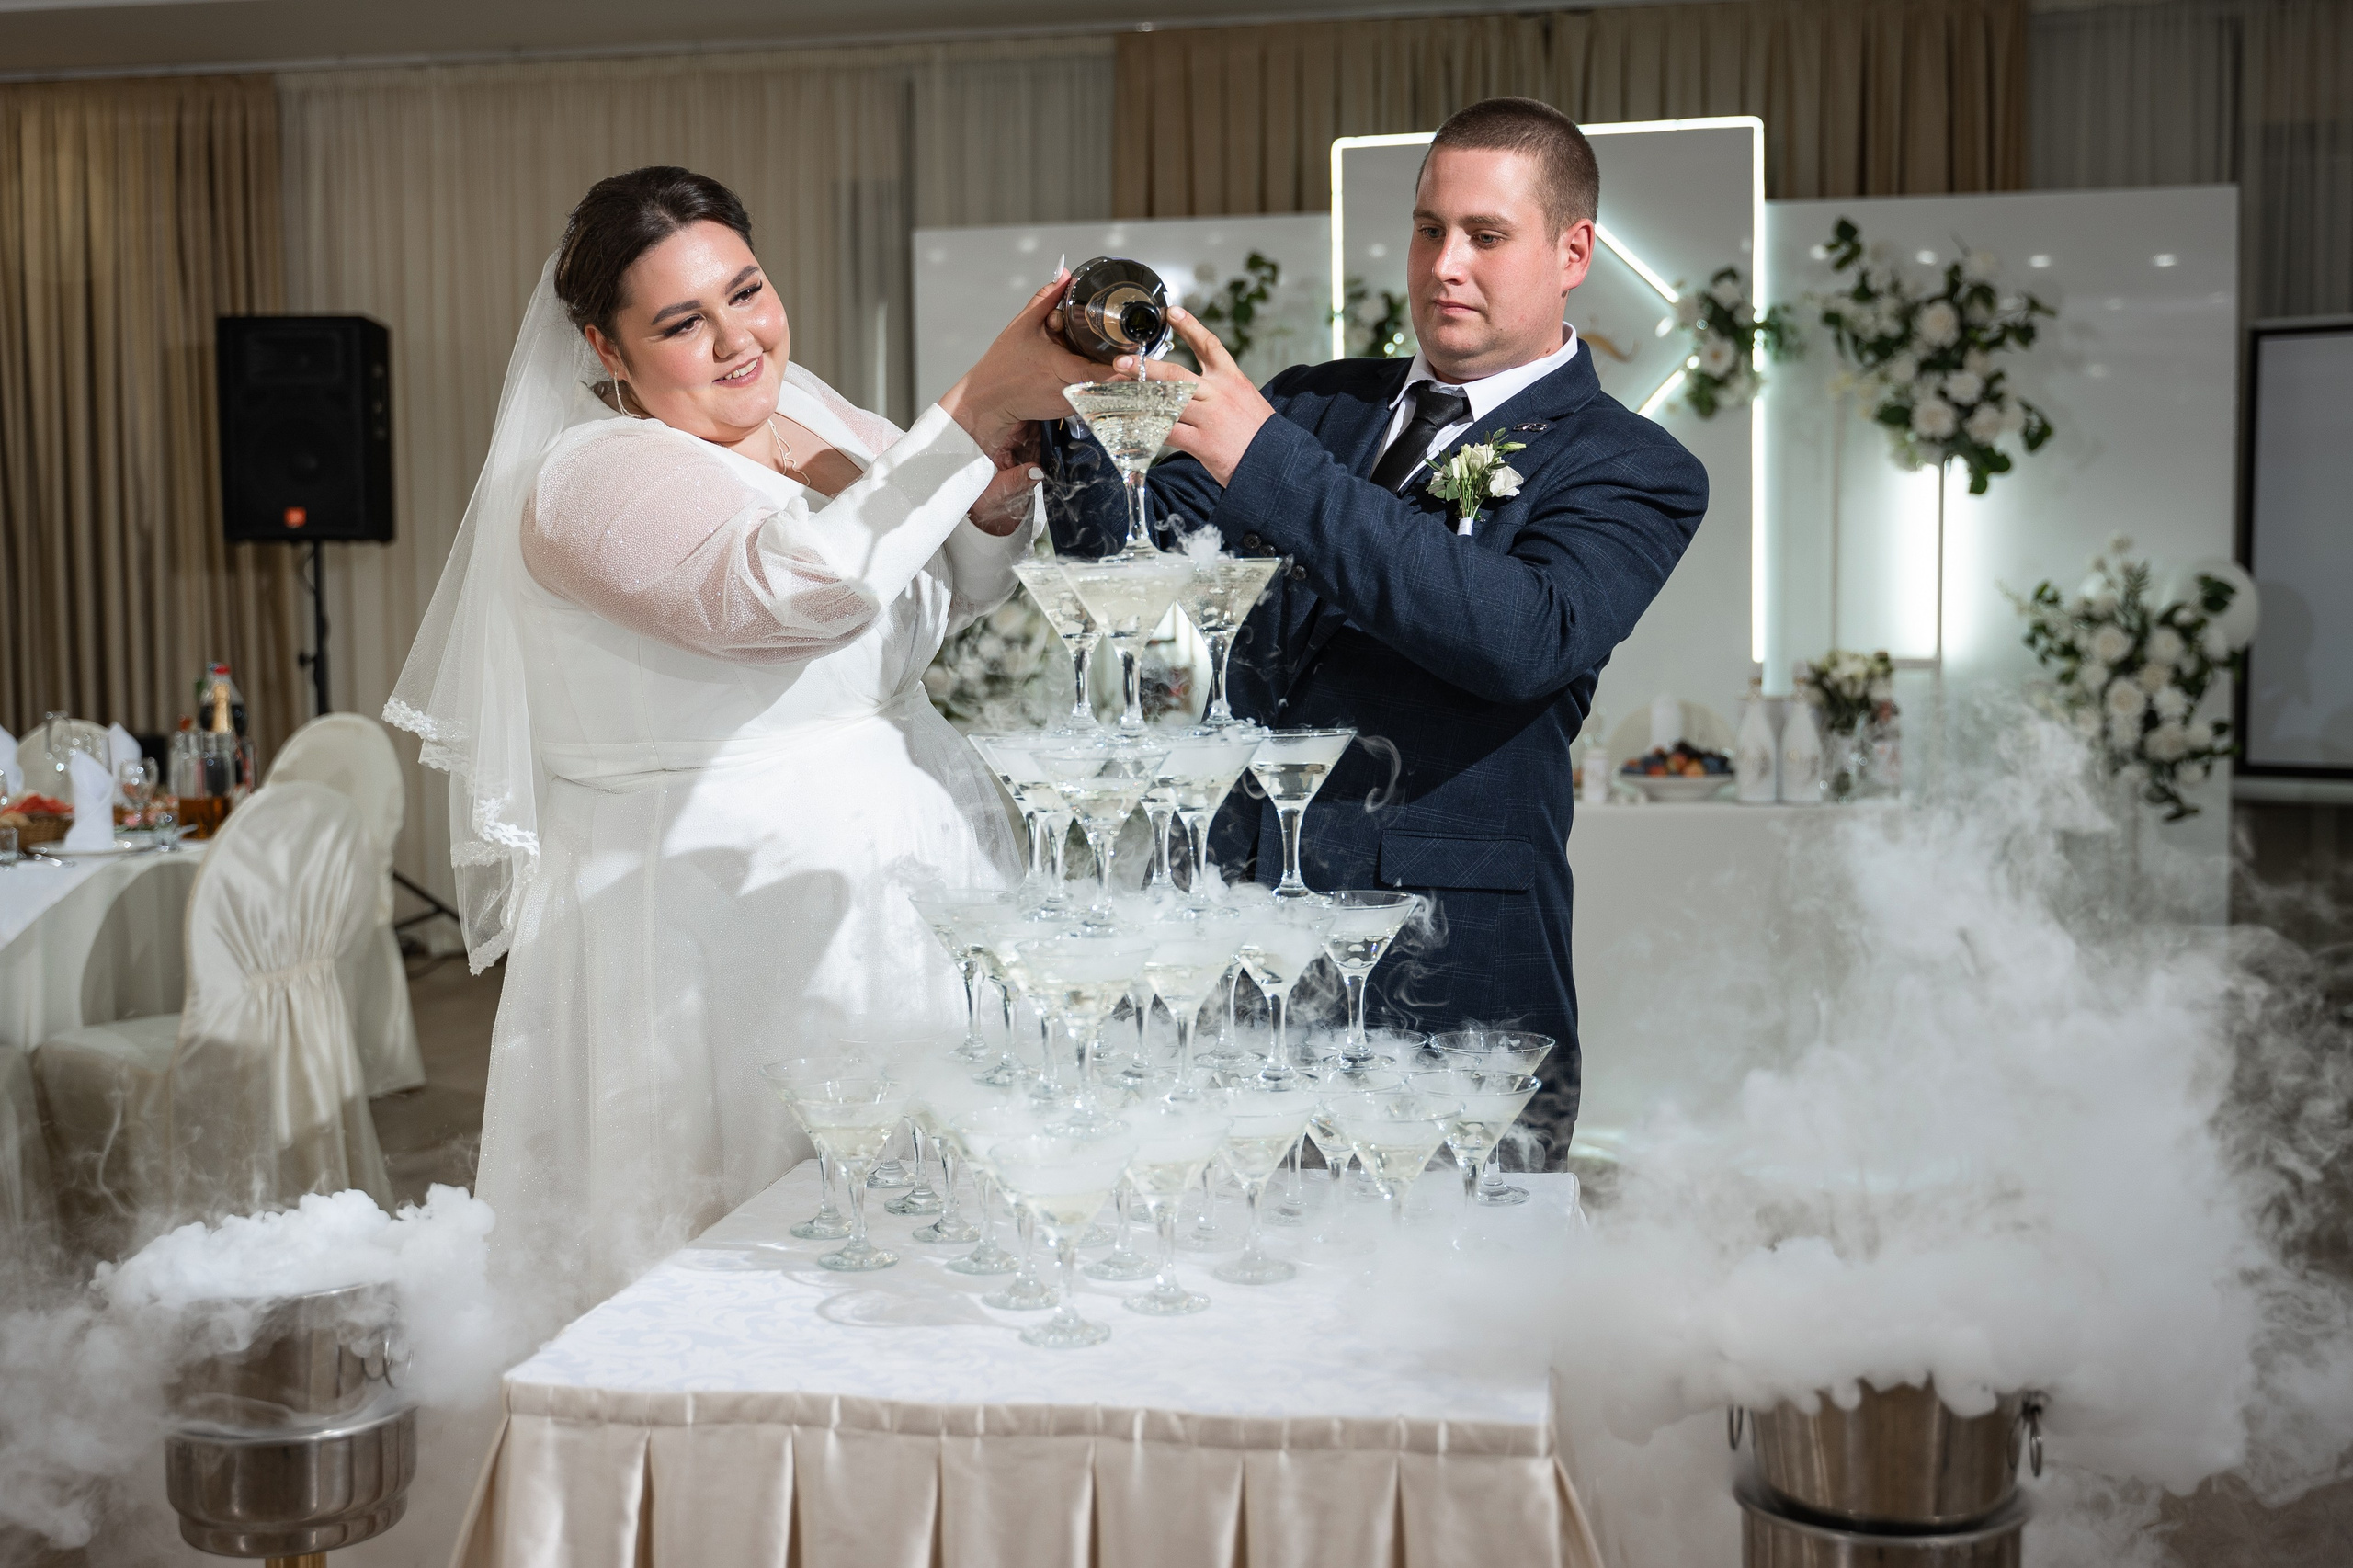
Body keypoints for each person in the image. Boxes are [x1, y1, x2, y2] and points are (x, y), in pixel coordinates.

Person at [388, 166, 1101, 1300]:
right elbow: (785, 598)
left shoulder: (807, 408)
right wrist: (970, 407)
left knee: (930, 1211)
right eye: (681, 323)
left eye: (747, 291)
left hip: (910, 861)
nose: (737, 340)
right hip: (721, 917)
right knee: (762, 1239)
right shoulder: (587, 478)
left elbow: (946, 588)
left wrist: (993, 493)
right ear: (605, 348)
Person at [1045, 98, 1709, 1160]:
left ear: (1573, 251)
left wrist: (1266, 457)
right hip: (1242, 952)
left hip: (1447, 976)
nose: (1445, 265)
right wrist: (1070, 411)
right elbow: (1125, 553)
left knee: (1454, 1267)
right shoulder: (1315, 406)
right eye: (1428, 228)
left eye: (1485, 236)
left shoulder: (1633, 465)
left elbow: (1520, 637)